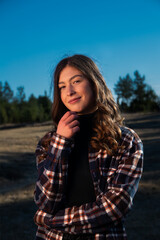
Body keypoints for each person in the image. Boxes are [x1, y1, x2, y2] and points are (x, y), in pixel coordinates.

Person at [34, 54, 143, 240]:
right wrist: (60, 144)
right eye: (62, 86)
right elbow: (45, 202)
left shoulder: (125, 140)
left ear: (94, 82)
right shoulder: (48, 142)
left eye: (76, 81)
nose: (69, 91)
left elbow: (114, 208)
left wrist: (51, 221)